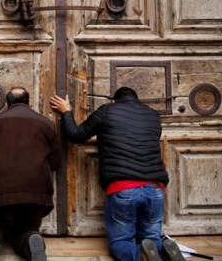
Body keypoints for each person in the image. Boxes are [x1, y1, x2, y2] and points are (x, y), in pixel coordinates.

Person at [50, 87, 185, 261]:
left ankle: (140, 255)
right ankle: (164, 252)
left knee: (120, 243)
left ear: (115, 100)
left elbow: (76, 135)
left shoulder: (106, 111)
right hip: (155, 187)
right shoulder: (153, 115)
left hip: (123, 187)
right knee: (151, 238)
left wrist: (66, 112)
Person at [0, 87, 61, 261]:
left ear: (7, 103)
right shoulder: (47, 124)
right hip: (35, 194)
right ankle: (31, 239)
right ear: (29, 102)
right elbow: (56, 163)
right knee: (26, 228)